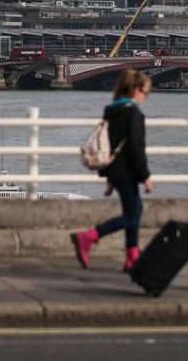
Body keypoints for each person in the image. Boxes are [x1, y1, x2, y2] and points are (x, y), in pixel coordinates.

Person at [70, 69, 153, 272]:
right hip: (128, 172)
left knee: (131, 211)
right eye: (144, 91)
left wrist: (108, 179)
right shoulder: (133, 113)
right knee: (134, 214)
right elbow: (136, 147)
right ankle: (89, 237)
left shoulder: (112, 111)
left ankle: (132, 256)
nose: (145, 96)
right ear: (134, 89)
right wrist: (146, 176)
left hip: (114, 171)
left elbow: (110, 146)